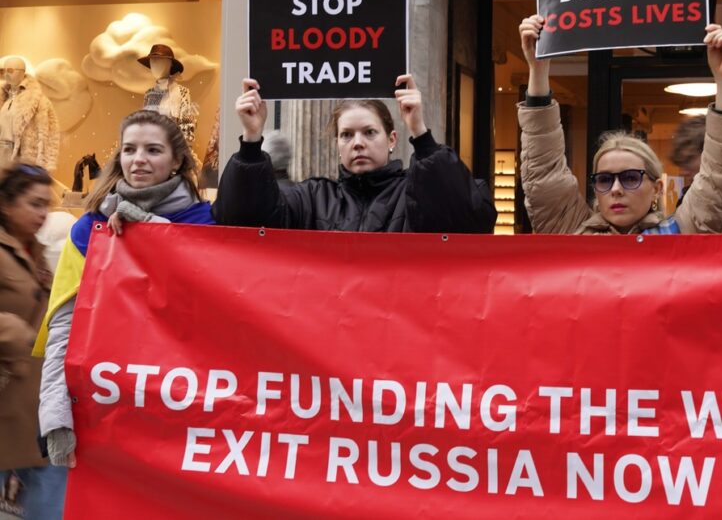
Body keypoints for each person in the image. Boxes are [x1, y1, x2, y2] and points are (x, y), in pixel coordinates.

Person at [35, 110, 214, 476]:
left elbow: (215, 308)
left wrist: (155, 234)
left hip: (186, 406)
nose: (139, 160)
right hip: (108, 405)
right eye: (130, 150)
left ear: (177, 159)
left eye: (153, 150)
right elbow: (64, 328)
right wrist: (55, 415)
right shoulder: (88, 230)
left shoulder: (207, 224)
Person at [517, 15, 722, 235]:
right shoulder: (572, 232)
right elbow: (544, 176)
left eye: (631, 178)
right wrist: (537, 71)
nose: (616, 189)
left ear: (657, 188)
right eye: (604, 180)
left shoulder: (681, 235)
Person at [214, 74, 497, 233]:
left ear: (392, 140)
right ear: (337, 145)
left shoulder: (416, 192)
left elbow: (469, 219)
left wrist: (421, 134)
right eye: (347, 135)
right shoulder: (312, 199)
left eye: (369, 132)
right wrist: (251, 140)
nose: (357, 143)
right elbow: (242, 221)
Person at [0, 163, 65, 520]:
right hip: (8, 397)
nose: (43, 214)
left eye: (46, 205)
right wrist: (15, 333)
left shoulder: (37, 252)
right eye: (34, 204)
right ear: (7, 205)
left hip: (35, 405)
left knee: (51, 503)